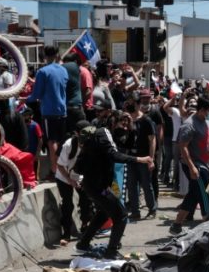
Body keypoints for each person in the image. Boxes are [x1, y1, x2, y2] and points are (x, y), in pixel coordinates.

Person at [73, 111, 154, 259]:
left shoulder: (100, 136)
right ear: (113, 121)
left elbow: (125, 145)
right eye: (122, 122)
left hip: (94, 185)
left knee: (104, 212)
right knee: (121, 215)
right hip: (98, 186)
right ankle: (111, 251)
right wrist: (140, 159)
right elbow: (115, 155)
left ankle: (83, 244)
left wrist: (131, 129)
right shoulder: (103, 133)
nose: (125, 125)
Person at [169, 96, 209, 235]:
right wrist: (192, 167)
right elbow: (183, 147)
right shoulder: (189, 124)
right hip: (195, 166)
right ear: (202, 109)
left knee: (194, 194)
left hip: (205, 165)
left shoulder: (207, 122)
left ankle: (176, 225)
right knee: (205, 195)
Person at [30, 46, 68, 179]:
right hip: (62, 110)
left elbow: (36, 95)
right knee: (60, 142)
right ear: (57, 55)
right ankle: (62, 170)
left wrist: (25, 99)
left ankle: (54, 171)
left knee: (52, 142)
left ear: (44, 56)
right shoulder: (63, 70)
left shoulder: (42, 72)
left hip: (49, 111)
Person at [54, 120, 92, 244]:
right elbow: (60, 165)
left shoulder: (91, 143)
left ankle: (85, 226)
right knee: (68, 204)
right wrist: (70, 180)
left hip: (79, 176)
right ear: (76, 133)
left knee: (86, 199)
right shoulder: (68, 145)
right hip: (63, 176)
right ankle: (66, 233)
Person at [124, 98, 157, 220]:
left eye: (132, 105)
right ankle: (135, 211)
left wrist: (151, 159)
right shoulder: (127, 120)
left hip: (144, 157)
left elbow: (152, 140)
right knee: (131, 185)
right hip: (131, 157)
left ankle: (152, 209)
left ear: (138, 105)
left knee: (146, 185)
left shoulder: (146, 120)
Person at [22, 107, 43, 179]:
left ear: (31, 116)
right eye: (24, 115)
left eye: (27, 115)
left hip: (34, 151)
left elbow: (40, 139)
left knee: (35, 165)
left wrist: (38, 152)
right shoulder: (22, 125)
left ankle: (36, 178)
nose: (25, 117)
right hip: (25, 151)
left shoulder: (35, 125)